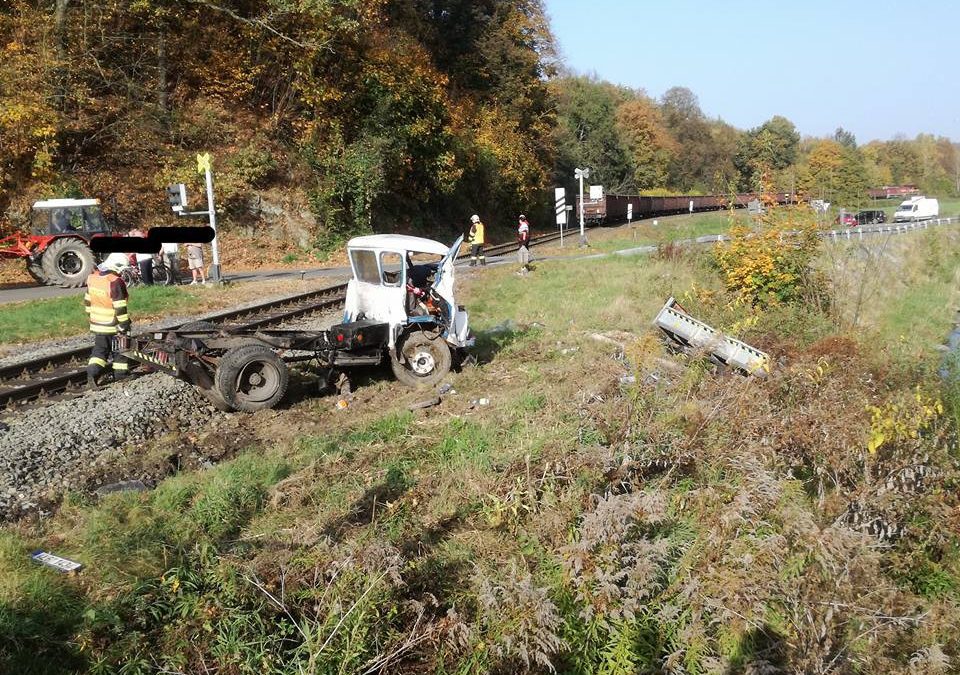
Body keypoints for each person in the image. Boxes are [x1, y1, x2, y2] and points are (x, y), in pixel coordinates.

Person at [85, 253, 132, 387]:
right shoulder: (115, 281)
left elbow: (88, 301)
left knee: (99, 351)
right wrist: (124, 324)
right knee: (120, 348)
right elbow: (120, 306)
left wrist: (91, 317)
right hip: (113, 324)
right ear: (117, 267)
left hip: (97, 323)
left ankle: (92, 373)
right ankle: (121, 375)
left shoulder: (93, 278)